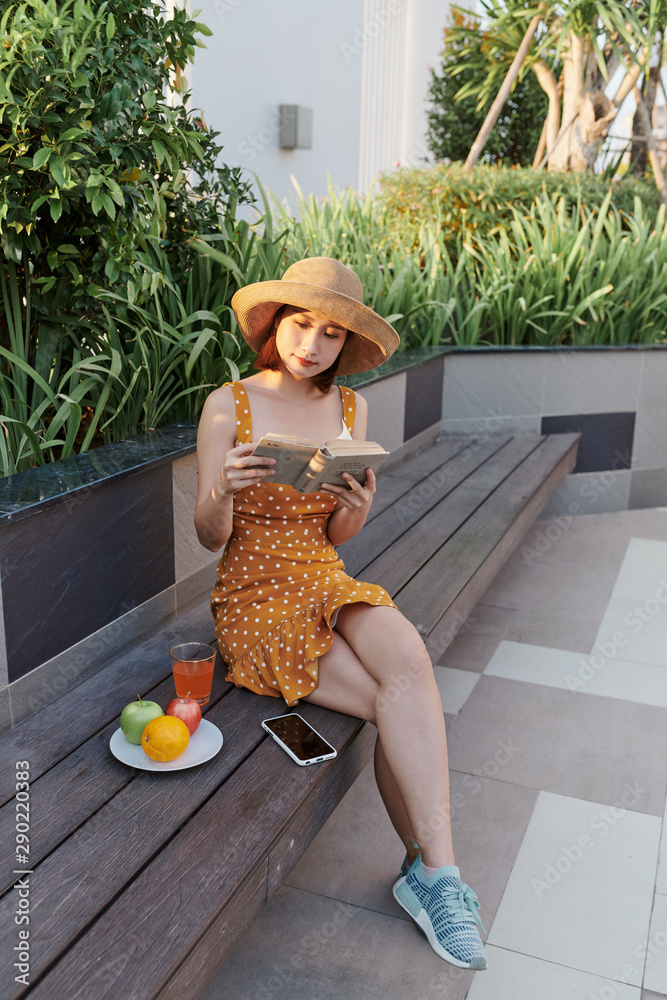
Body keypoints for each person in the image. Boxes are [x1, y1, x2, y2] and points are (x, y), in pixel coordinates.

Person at [195, 257, 487, 971]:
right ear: (275, 324)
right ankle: (428, 876)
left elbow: (334, 538)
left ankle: (439, 874)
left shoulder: (350, 409)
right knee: (395, 702)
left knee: (407, 659)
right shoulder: (226, 404)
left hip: (323, 574)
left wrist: (356, 510)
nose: (314, 345)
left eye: (330, 333)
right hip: (254, 595)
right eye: (302, 324)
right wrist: (223, 491)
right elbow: (208, 537)